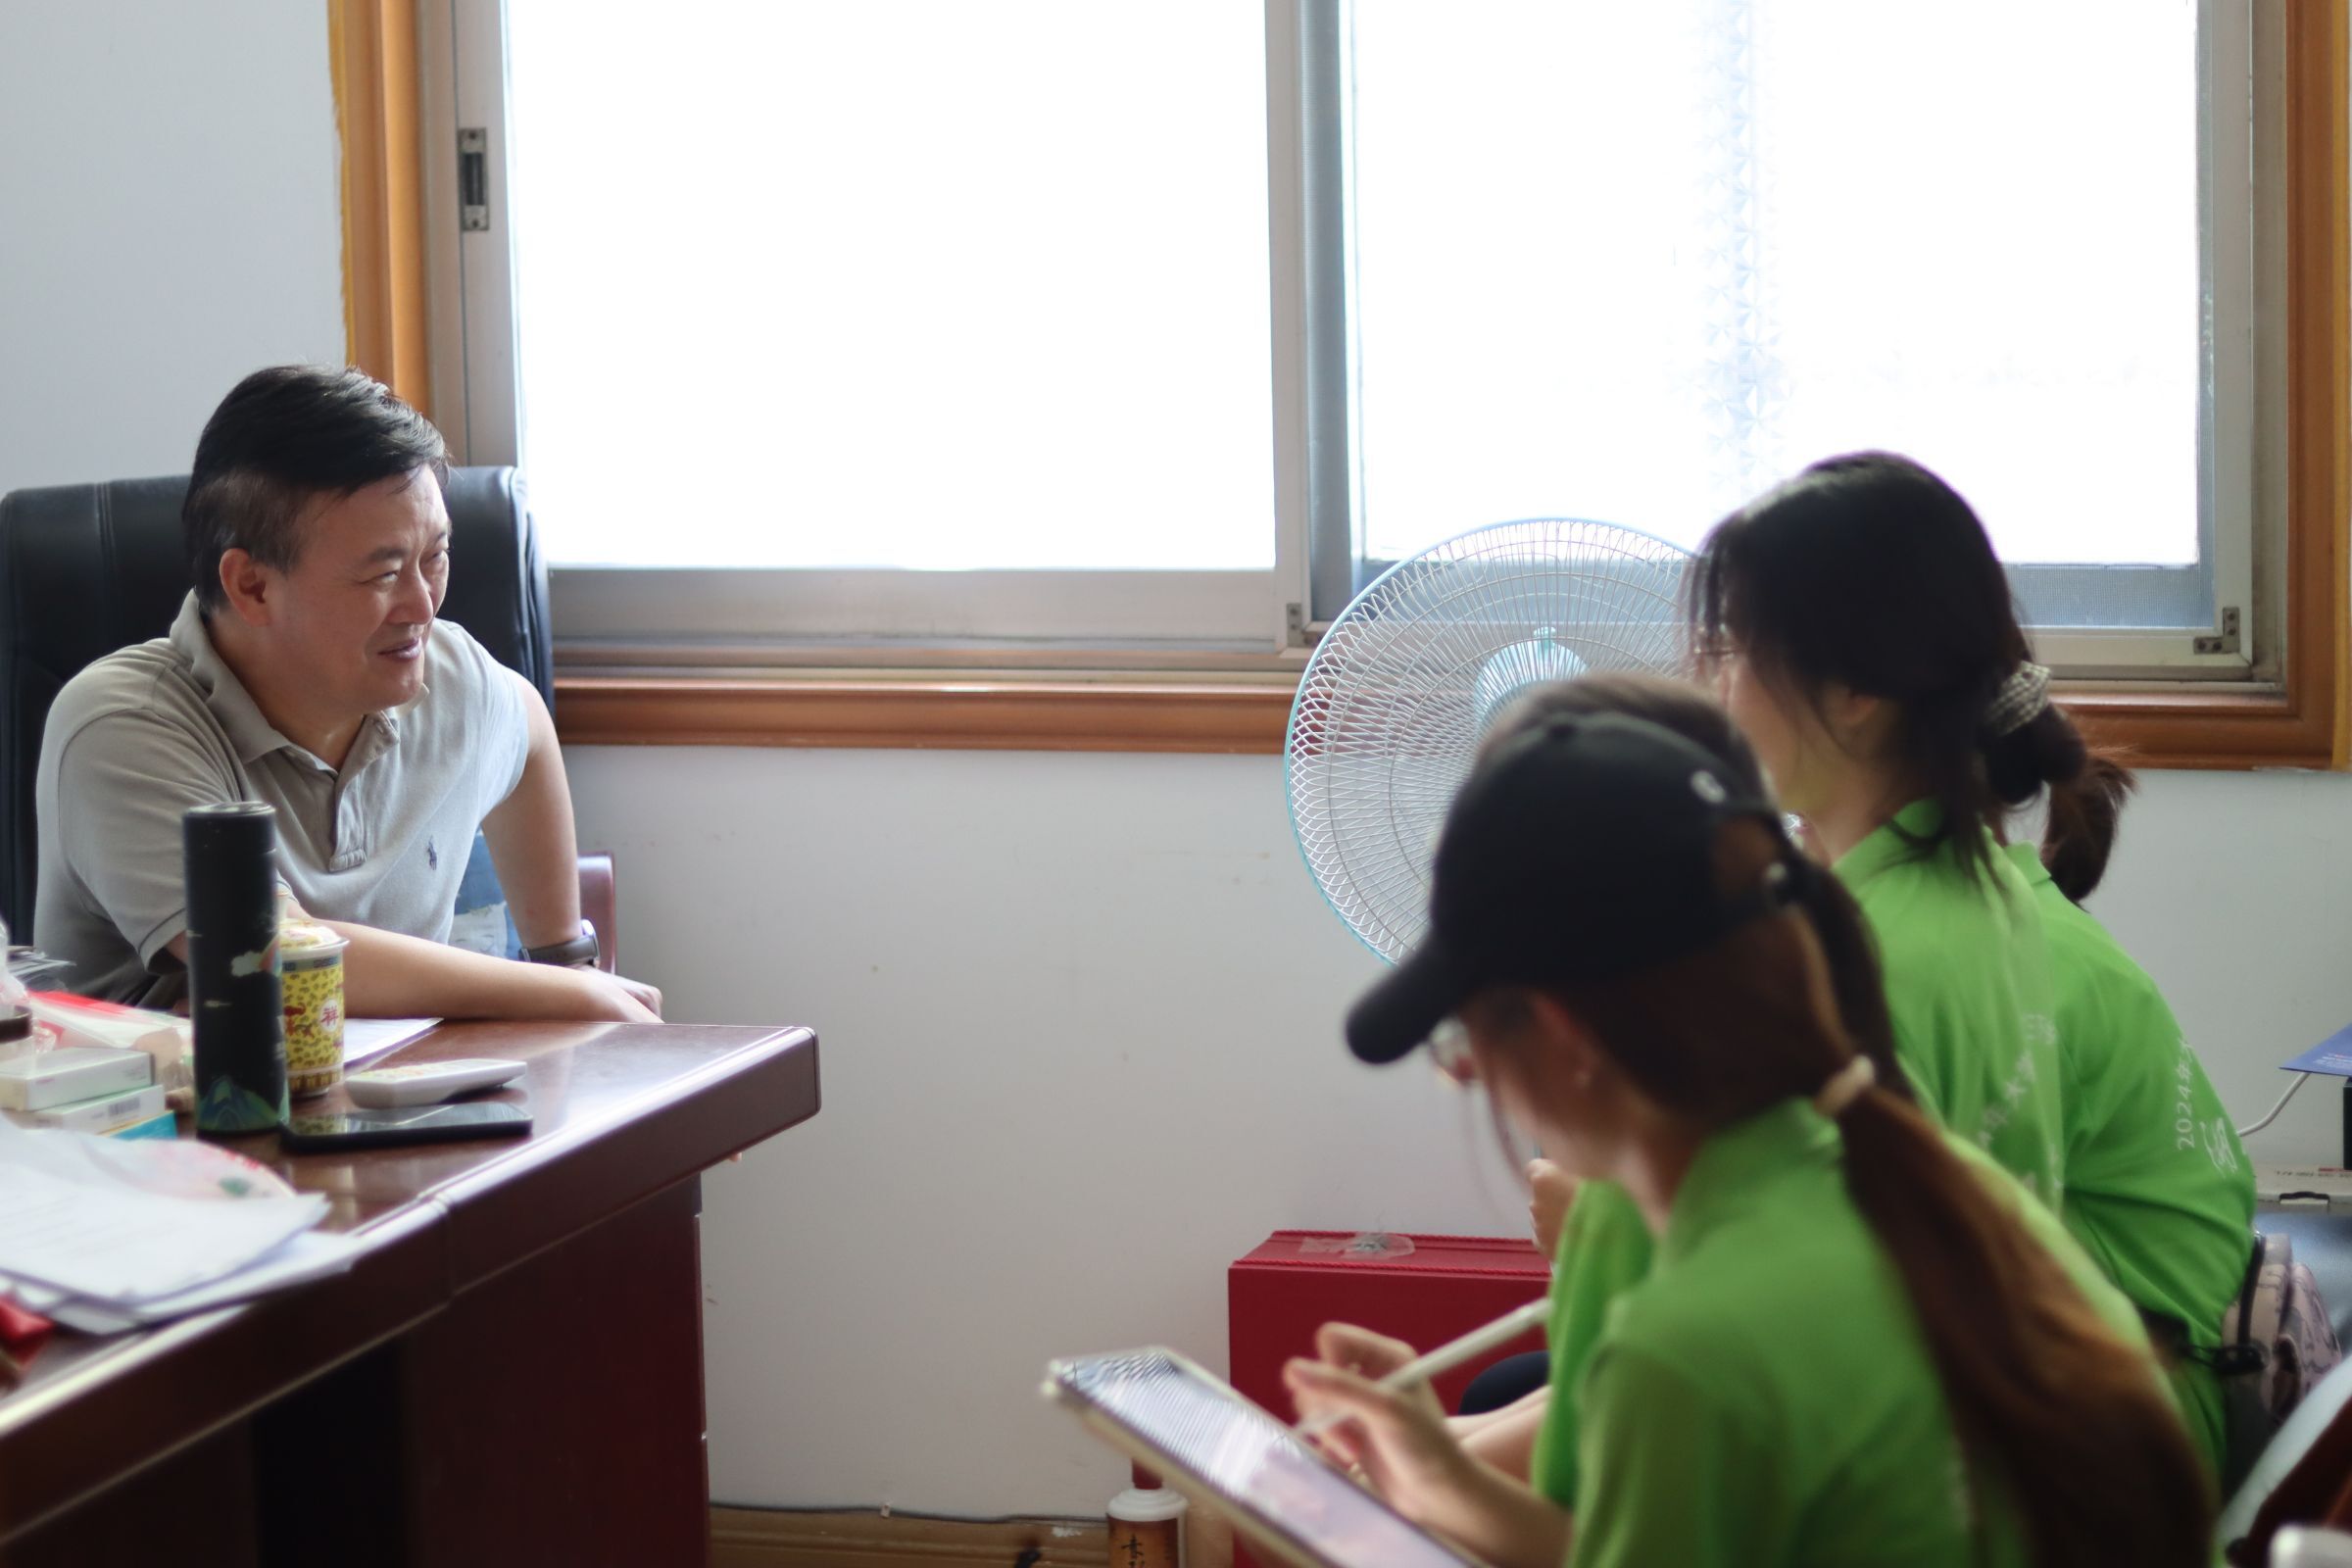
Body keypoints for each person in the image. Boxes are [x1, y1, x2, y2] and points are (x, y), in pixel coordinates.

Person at [1287, 710, 2210, 1568]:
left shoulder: (1687, 1343)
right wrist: (1430, 1474)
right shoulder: (1948, 1187)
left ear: (1568, 1038)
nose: (1469, 1077)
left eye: (1462, 1044)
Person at [1691, 451, 2253, 1476]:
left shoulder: (1895, 957)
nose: (1711, 684)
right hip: (2087, 1381)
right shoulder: (1955, 885)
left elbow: (1840, 1331)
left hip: (2106, 1428)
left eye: (1735, 647)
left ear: (1856, 689)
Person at [34, 365, 661, 1021]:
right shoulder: (122, 726)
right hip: (179, 1088)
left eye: (435, 557)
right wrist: (565, 992)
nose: (423, 606)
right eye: (384, 574)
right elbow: (267, 954)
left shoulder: (451, 676)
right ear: (252, 587)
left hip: (421, 1083)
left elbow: (527, 729)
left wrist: (562, 956)